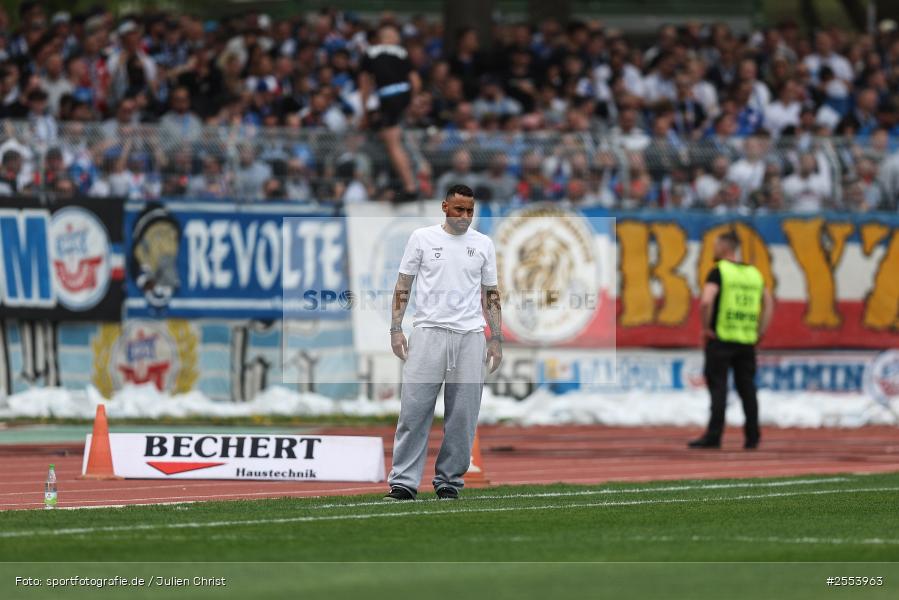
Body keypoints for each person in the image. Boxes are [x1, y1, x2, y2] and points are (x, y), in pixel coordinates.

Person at [384, 184, 502, 501]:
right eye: (459, 209)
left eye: (470, 211)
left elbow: (490, 293)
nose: (465, 216)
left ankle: (449, 480)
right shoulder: (422, 238)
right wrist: (396, 327)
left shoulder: (483, 244)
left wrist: (497, 338)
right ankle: (404, 482)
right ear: (444, 207)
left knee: (463, 416)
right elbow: (403, 284)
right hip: (428, 332)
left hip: (470, 336)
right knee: (414, 412)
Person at [689, 230, 773, 450]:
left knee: (718, 388)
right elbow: (769, 303)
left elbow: (706, 301)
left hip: (721, 338)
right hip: (746, 340)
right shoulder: (754, 273)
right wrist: (759, 331)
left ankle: (714, 436)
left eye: (716, 245)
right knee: (747, 389)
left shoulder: (719, 272)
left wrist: (706, 328)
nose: (713, 249)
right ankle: (752, 437)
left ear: (725, 248)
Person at [358, 24, 421, 201]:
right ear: (392, 37)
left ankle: (410, 187)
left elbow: (365, 84)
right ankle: (403, 179)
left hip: (387, 96)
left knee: (392, 143)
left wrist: (364, 111)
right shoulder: (402, 53)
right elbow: (415, 82)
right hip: (403, 94)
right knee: (393, 137)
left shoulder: (370, 53)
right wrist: (408, 103)